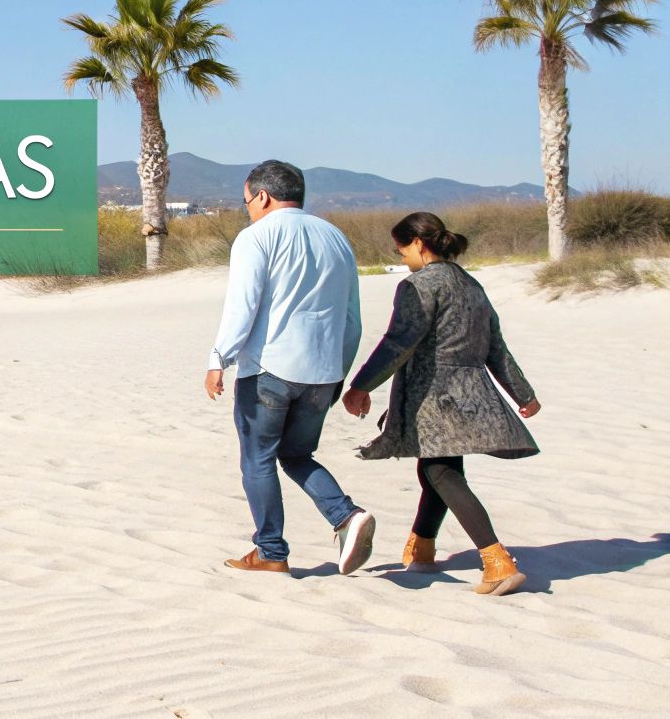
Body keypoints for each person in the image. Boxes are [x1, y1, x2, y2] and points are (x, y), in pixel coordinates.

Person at [341, 212, 541, 597]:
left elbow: (400, 342)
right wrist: (523, 394)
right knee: (439, 469)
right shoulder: (471, 284)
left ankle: (497, 560)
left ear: (418, 244)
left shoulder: (419, 285)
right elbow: (496, 347)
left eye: (401, 251)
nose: (402, 258)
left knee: (440, 473)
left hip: (434, 393)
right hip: (472, 390)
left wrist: (361, 385)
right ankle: (422, 548)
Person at [206, 160, 375, 576]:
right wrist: (340, 372)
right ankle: (346, 516)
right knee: (297, 453)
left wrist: (218, 359)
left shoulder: (255, 237)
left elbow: (242, 305)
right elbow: (352, 319)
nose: (247, 208)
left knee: (258, 458)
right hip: (324, 372)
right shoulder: (336, 238)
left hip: (270, 369)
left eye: (246, 201)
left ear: (262, 196)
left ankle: (270, 551)